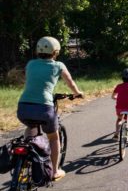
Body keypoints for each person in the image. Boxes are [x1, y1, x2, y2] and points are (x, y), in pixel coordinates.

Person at [17, 36, 83, 181]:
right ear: (56, 51)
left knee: (31, 127)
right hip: (44, 108)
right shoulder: (58, 65)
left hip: (23, 107)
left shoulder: (31, 64)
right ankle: (54, 171)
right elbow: (70, 82)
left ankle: (24, 163)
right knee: (54, 138)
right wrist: (77, 93)